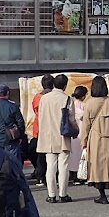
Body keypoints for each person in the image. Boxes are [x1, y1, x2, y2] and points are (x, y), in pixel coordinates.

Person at [36, 73, 74, 204]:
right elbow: (71, 119)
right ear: (65, 86)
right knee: (63, 166)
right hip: (63, 135)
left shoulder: (44, 98)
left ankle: (51, 194)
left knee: (50, 167)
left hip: (48, 135)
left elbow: (40, 117)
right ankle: (63, 194)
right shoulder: (67, 99)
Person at [83, 75, 109, 204]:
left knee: (97, 167)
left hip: (96, 138)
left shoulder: (90, 103)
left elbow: (86, 125)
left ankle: (102, 195)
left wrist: (84, 142)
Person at [0, 83, 27, 167]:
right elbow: (20, 124)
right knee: (14, 164)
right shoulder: (13, 107)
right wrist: (20, 136)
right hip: (11, 140)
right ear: (7, 93)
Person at [66, 85, 88, 184]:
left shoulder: (71, 105)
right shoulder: (85, 106)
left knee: (72, 155)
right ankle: (82, 175)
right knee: (82, 155)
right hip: (82, 133)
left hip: (73, 133)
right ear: (83, 96)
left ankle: (73, 175)